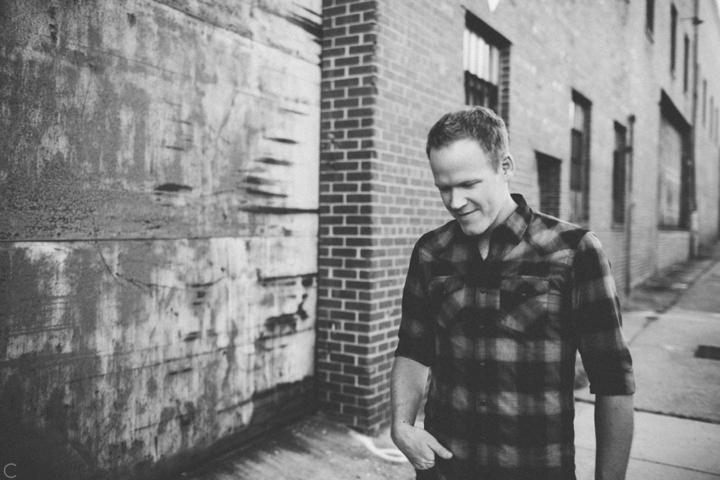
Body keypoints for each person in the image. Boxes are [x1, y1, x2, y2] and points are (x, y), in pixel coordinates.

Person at [390, 106, 635, 480]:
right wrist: (401, 425)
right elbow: (413, 349)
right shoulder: (430, 253)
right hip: (444, 471)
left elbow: (613, 383)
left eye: (469, 184)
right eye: (443, 187)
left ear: (505, 167)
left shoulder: (574, 252)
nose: (455, 202)